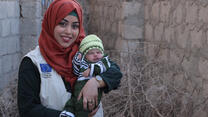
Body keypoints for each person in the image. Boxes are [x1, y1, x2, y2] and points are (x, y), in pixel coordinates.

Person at [17, 0, 122, 117]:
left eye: (75, 26)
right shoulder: (33, 62)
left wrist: (96, 82)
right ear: (51, 23)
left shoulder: (85, 53)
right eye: (62, 23)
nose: (68, 32)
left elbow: (115, 72)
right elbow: (27, 110)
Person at [64, 34, 114, 117]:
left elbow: (102, 67)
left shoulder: (103, 60)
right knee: (72, 102)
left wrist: (91, 70)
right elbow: (76, 72)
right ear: (85, 56)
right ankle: (67, 113)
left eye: (98, 52)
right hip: (78, 87)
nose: (95, 55)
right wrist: (77, 60)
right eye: (91, 53)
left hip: (92, 92)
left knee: (84, 106)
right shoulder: (84, 62)